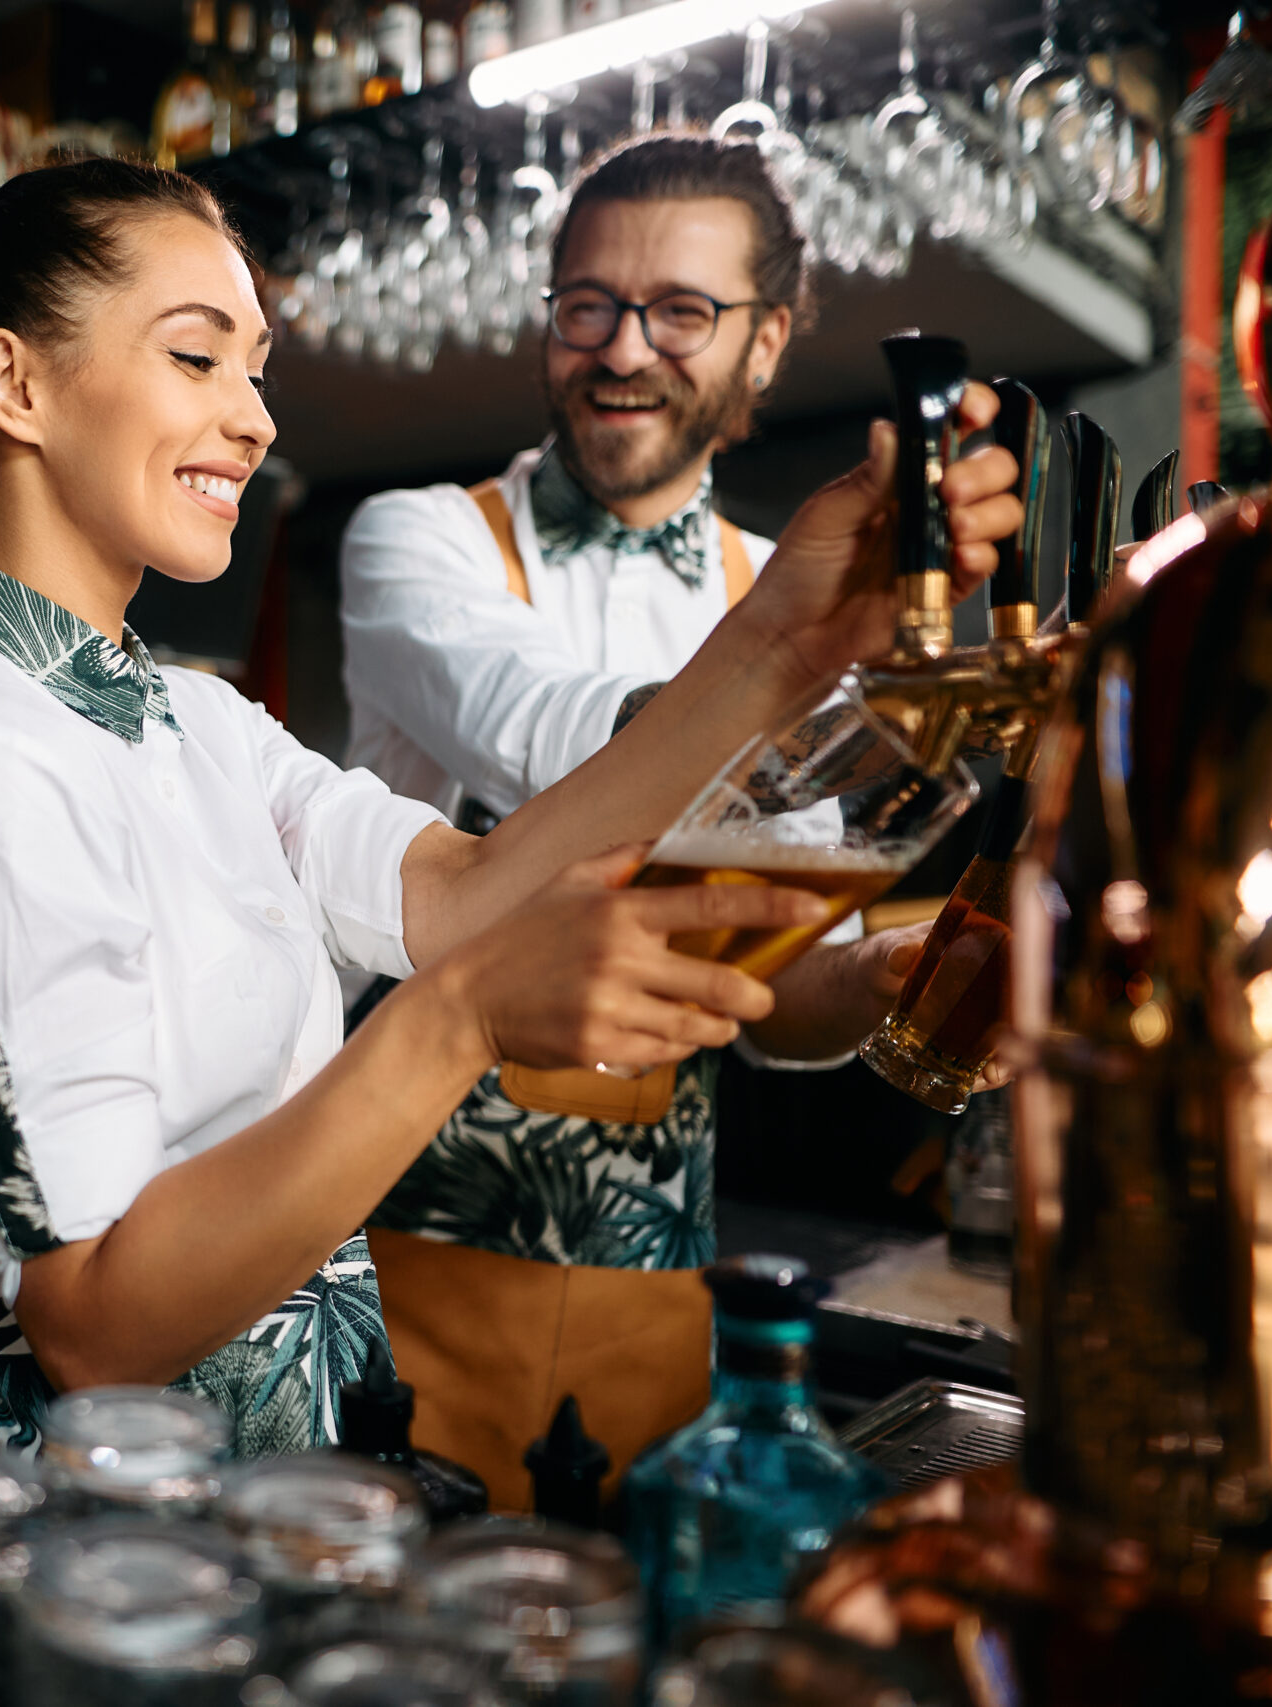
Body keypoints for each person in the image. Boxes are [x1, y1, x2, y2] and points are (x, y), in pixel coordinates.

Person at [0, 153, 1018, 1457]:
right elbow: (92, 1327)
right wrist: (464, 1014)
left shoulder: (192, 719)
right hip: (120, 1554)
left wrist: (786, 639)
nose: (258, 419)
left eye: (256, 367)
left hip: (286, 1497)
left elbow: (457, 894)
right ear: (16, 385)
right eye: (199, 359)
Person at [337, 134, 944, 1503]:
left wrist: (872, 979)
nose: (623, 350)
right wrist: (789, 661)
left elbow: (762, 988)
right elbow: (551, 735)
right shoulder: (416, 542)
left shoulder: (780, 585)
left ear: (768, 342)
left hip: (658, 1290)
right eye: (587, 305)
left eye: (681, 311)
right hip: (392, 1259)